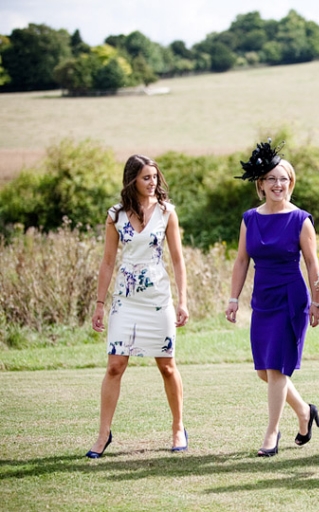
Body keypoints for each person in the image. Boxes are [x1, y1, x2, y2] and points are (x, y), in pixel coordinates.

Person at [225, 140, 319, 457]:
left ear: (290, 182)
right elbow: (241, 260)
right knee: (264, 371)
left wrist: (317, 302)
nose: (278, 184)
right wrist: (232, 298)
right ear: (261, 184)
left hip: (291, 296)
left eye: (283, 178)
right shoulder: (250, 218)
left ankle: (271, 433)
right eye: (271, 178)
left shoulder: (300, 219)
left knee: (278, 369)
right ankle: (305, 411)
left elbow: (312, 264)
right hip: (262, 298)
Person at [87, 154, 189, 458]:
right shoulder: (115, 215)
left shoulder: (167, 212)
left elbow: (178, 259)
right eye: (146, 177)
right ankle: (103, 434)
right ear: (132, 180)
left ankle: (178, 427)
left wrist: (183, 300)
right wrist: (99, 303)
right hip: (125, 300)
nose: (152, 182)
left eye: (155, 177)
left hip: (158, 299)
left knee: (167, 366)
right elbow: (107, 262)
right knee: (115, 365)